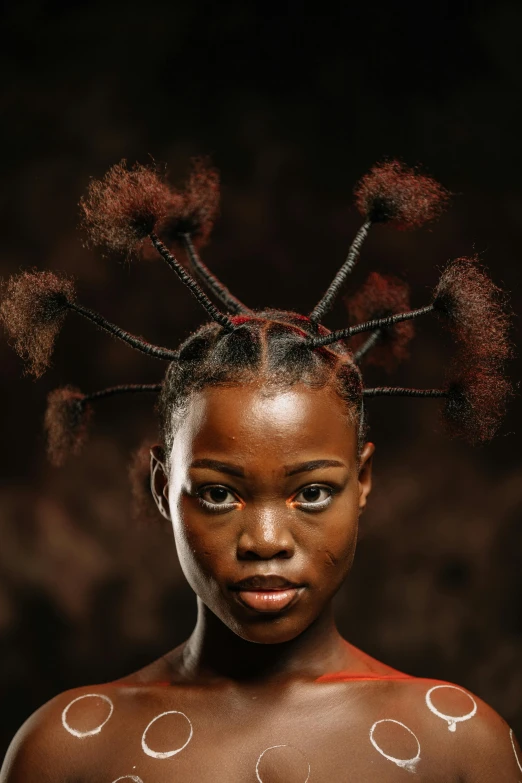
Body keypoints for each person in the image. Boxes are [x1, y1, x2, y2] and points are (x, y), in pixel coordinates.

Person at [0, 159, 519, 782]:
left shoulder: (457, 745)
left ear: (364, 482)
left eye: (313, 492)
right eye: (219, 494)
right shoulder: (67, 751)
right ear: (165, 488)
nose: (266, 541)